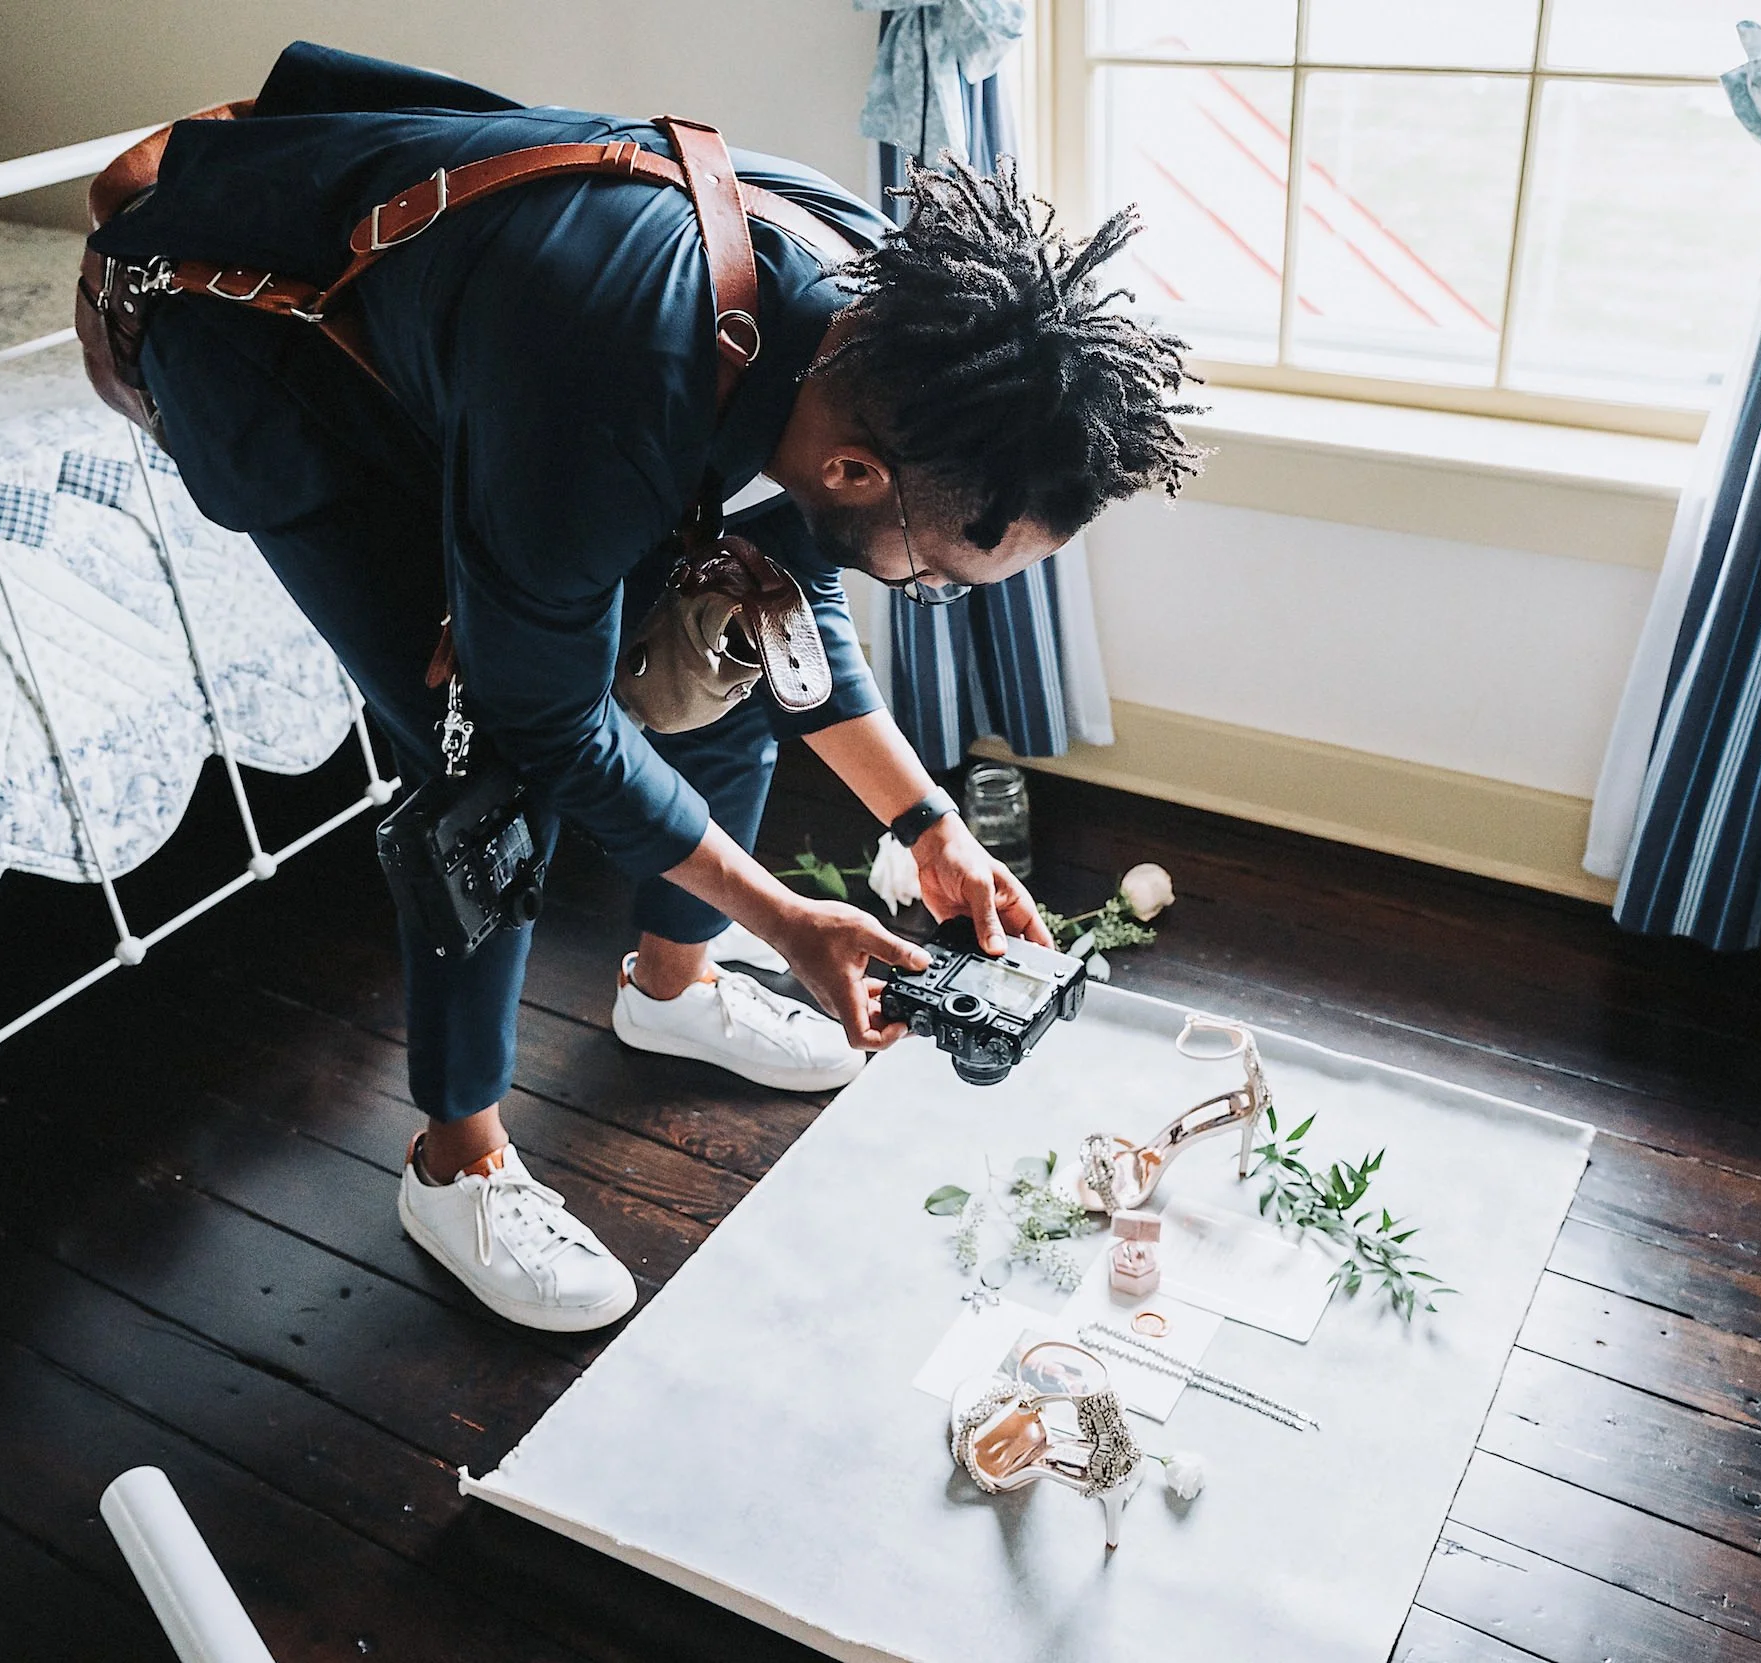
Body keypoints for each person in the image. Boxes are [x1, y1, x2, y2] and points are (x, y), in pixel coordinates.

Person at [90, 42, 1200, 1333]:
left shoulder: (870, 331)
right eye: (939, 570)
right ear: (853, 471)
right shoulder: (614, 375)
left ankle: (669, 990)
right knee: (480, 767)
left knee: (719, 643)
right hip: (256, 344)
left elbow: (785, 595)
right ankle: (455, 1167)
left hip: (503, 352)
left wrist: (925, 822)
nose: (938, 588)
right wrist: (791, 917)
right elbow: (543, 713)